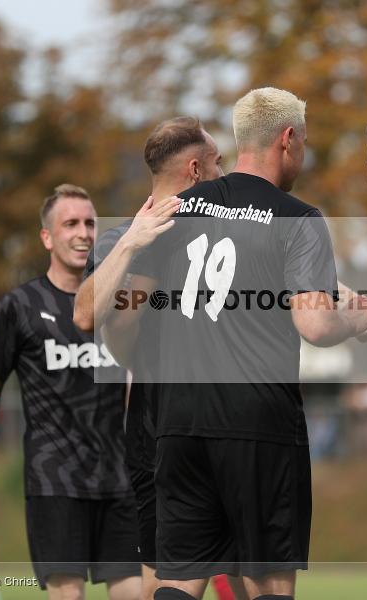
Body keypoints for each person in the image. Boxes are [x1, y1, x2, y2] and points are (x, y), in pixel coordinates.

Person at [99, 87, 367, 600]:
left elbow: (125, 314)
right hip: (258, 425)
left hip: (178, 426)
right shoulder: (300, 218)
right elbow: (315, 327)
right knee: (268, 584)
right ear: (288, 139)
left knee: (178, 582)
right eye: (305, 142)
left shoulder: (173, 210)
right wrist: (358, 319)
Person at [74, 116, 243, 600]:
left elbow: (121, 331)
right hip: (170, 427)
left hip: (195, 423)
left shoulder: (226, 235)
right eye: (217, 163)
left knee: (188, 574)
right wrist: (131, 241)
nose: (224, 173)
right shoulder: (123, 239)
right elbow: (90, 314)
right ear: (194, 170)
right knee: (189, 575)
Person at [0, 184, 141, 600]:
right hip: (54, 480)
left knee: (137, 593)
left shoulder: (121, 304)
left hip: (120, 480)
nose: (84, 233)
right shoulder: (19, 306)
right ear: (47, 237)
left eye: (91, 223)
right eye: (71, 224)